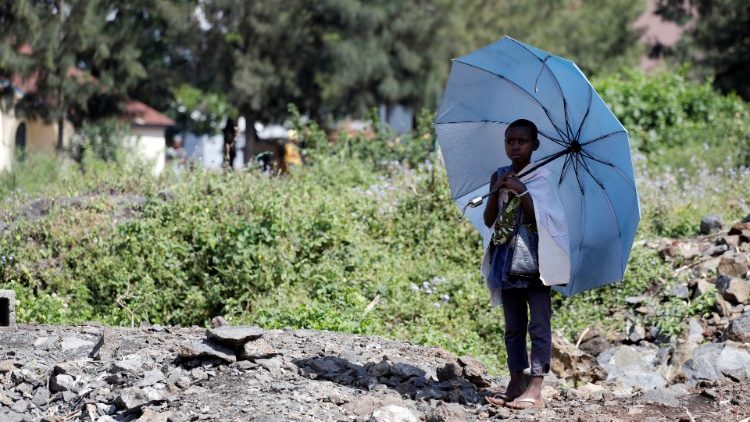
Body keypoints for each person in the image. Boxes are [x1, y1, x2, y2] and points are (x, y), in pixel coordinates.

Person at [481, 119, 569, 410]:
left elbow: (546, 220)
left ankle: (536, 388)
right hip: (506, 261)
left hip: (536, 264)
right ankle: (515, 381)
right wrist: (497, 190)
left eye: (522, 141)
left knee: (539, 325)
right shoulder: (500, 175)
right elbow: (489, 220)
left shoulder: (542, 178)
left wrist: (522, 191)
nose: (515, 146)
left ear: (535, 146)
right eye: (510, 141)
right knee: (513, 326)